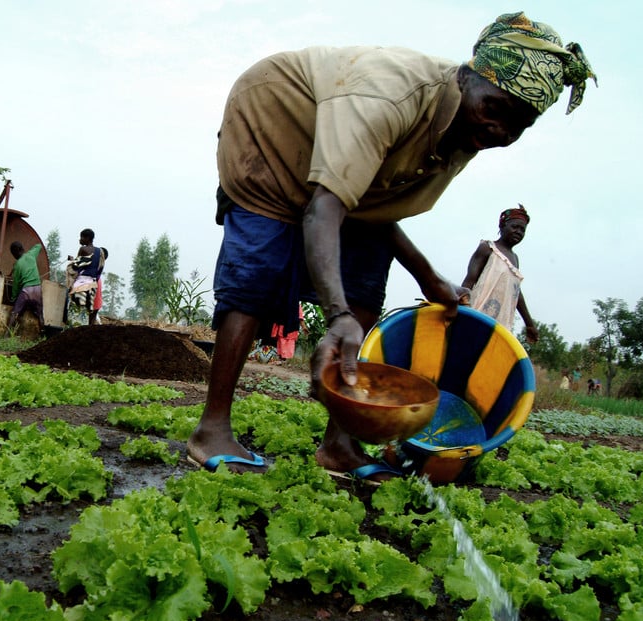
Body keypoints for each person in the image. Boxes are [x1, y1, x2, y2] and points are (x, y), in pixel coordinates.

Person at [186, 12, 595, 477]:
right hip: (273, 130)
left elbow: (374, 210)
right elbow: (325, 208)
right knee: (258, 270)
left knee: (365, 280)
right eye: (497, 109)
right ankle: (212, 428)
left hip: (331, 172)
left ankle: (339, 446)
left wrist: (429, 279)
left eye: (518, 125)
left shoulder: (462, 135)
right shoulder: (389, 96)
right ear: (470, 76)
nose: (501, 130)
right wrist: (336, 316)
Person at [461, 205, 539, 343]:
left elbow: (516, 292)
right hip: (478, 314)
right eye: (515, 227)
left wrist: (529, 323)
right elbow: (469, 281)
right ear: (502, 226)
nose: (518, 232)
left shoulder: (515, 259)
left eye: (522, 230)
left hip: (500, 324)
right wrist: (460, 309)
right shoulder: (487, 248)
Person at [68, 228, 105, 325]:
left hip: (81, 283)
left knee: (76, 309)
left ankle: (74, 330)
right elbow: (99, 268)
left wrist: (71, 262)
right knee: (87, 308)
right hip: (92, 284)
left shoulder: (83, 249)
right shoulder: (100, 251)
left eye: (82, 237)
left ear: (88, 238)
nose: (80, 240)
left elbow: (76, 266)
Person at [7, 241, 44, 332]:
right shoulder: (31, 255)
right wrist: (29, 252)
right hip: (37, 289)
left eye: (13, 254)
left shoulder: (17, 265)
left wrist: (13, 298)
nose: (13, 256)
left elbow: (16, 284)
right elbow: (39, 246)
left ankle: (7, 335)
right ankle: (42, 335)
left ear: (16, 252)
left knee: (15, 313)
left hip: (26, 291)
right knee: (40, 315)